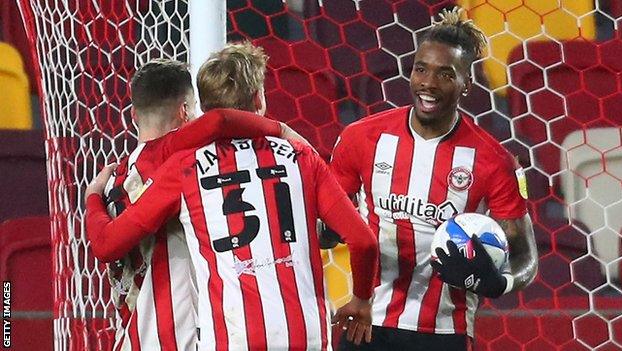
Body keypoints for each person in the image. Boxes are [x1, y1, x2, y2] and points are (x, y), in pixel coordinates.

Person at [88, 42, 380, 350]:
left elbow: (106, 245)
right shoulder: (301, 155)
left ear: (201, 107)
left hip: (233, 337)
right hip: (304, 334)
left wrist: (92, 197)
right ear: (258, 99)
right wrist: (361, 299)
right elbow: (363, 241)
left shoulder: (184, 166)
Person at [329, 7, 538, 351]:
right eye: (421, 69)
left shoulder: (494, 161)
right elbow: (328, 221)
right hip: (368, 323)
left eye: (445, 74)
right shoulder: (361, 138)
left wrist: (500, 283)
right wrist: (325, 230)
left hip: (444, 333)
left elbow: (526, 258)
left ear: (467, 84)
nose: (428, 83)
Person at [102, 58, 308, 350]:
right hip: (177, 336)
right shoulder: (178, 159)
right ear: (185, 112)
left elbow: (102, 243)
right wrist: (282, 131)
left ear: (133, 114)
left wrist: (90, 197)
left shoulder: (114, 180)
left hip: (131, 334)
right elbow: (220, 120)